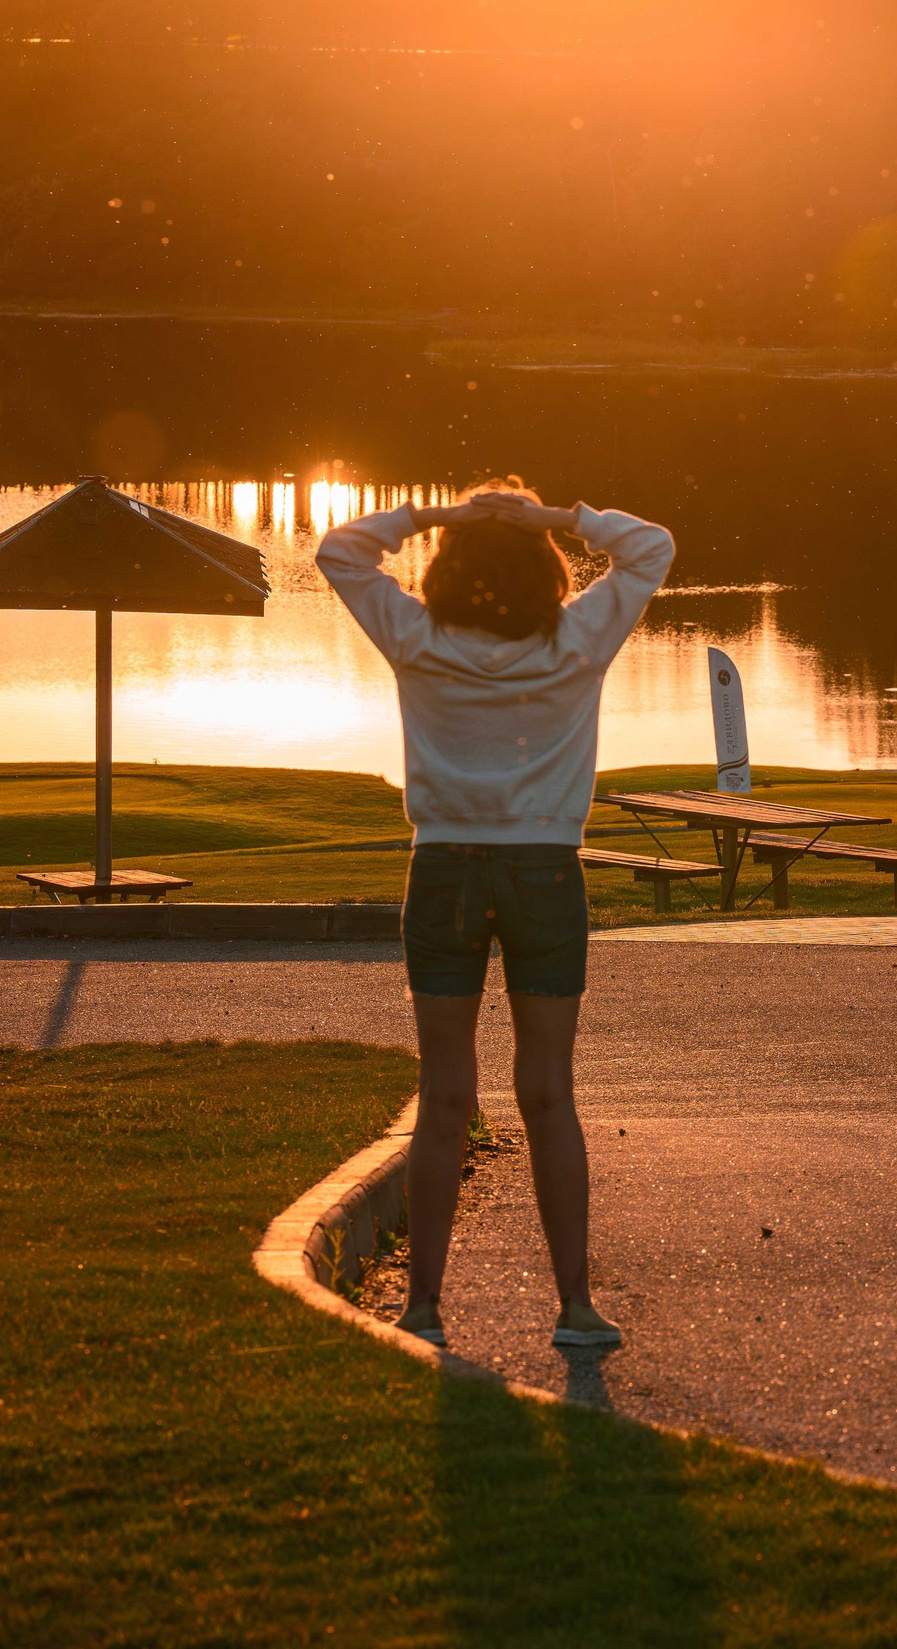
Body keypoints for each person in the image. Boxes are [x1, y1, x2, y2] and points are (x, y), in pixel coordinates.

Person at [318, 480, 675, 1350]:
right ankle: (575, 1308)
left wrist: (437, 515)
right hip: (544, 872)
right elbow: (651, 546)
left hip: (444, 869)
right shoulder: (577, 642)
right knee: (549, 1093)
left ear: (449, 565)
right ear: (542, 564)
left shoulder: (418, 639)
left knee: (445, 1094)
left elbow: (339, 551)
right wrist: (557, 518)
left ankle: (424, 1308)